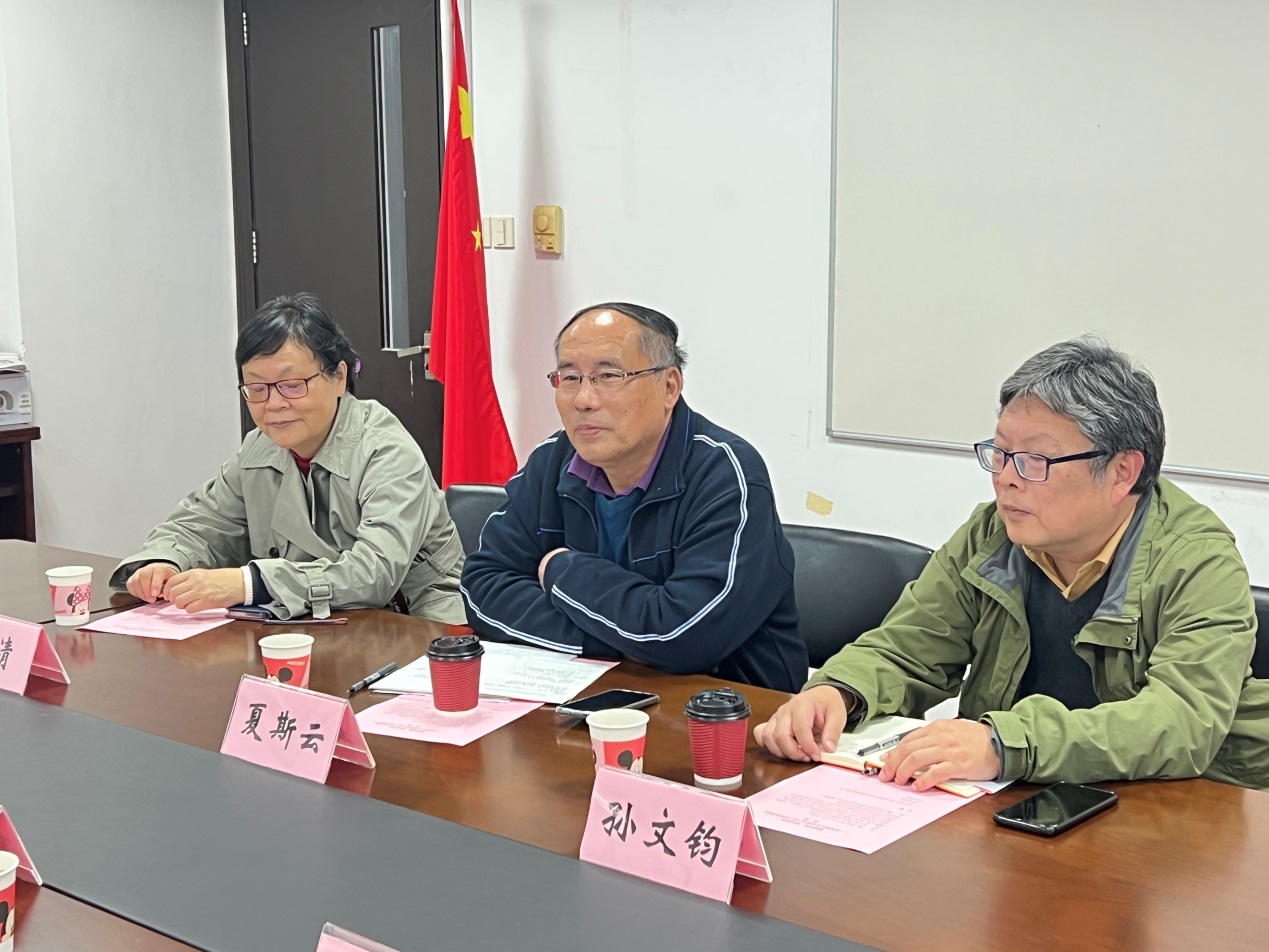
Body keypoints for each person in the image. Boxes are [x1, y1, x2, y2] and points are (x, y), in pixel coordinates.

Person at [755, 336, 1269, 790]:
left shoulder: (1198, 561)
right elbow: (907, 650)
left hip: (1170, 811)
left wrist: (1004, 745)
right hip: (1014, 800)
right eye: (999, 454)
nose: (1006, 478)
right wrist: (838, 692)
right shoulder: (993, 534)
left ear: (1121, 472)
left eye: (1035, 460)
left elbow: (1182, 723)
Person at [460, 302, 806, 691]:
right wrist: (619, 645)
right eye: (570, 377)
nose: (583, 399)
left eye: (608, 376)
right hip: (592, 692)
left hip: (728, 708)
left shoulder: (726, 474)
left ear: (669, 387)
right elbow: (482, 589)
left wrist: (561, 569)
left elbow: (683, 637)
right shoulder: (552, 460)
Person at [111, 293, 465, 622]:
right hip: (313, 621)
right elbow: (202, 524)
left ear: (339, 377)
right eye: (257, 388)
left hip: (415, 622)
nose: (275, 404)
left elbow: (375, 573)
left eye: (292, 385)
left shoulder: (386, 449)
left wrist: (249, 584)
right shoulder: (260, 448)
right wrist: (164, 561)